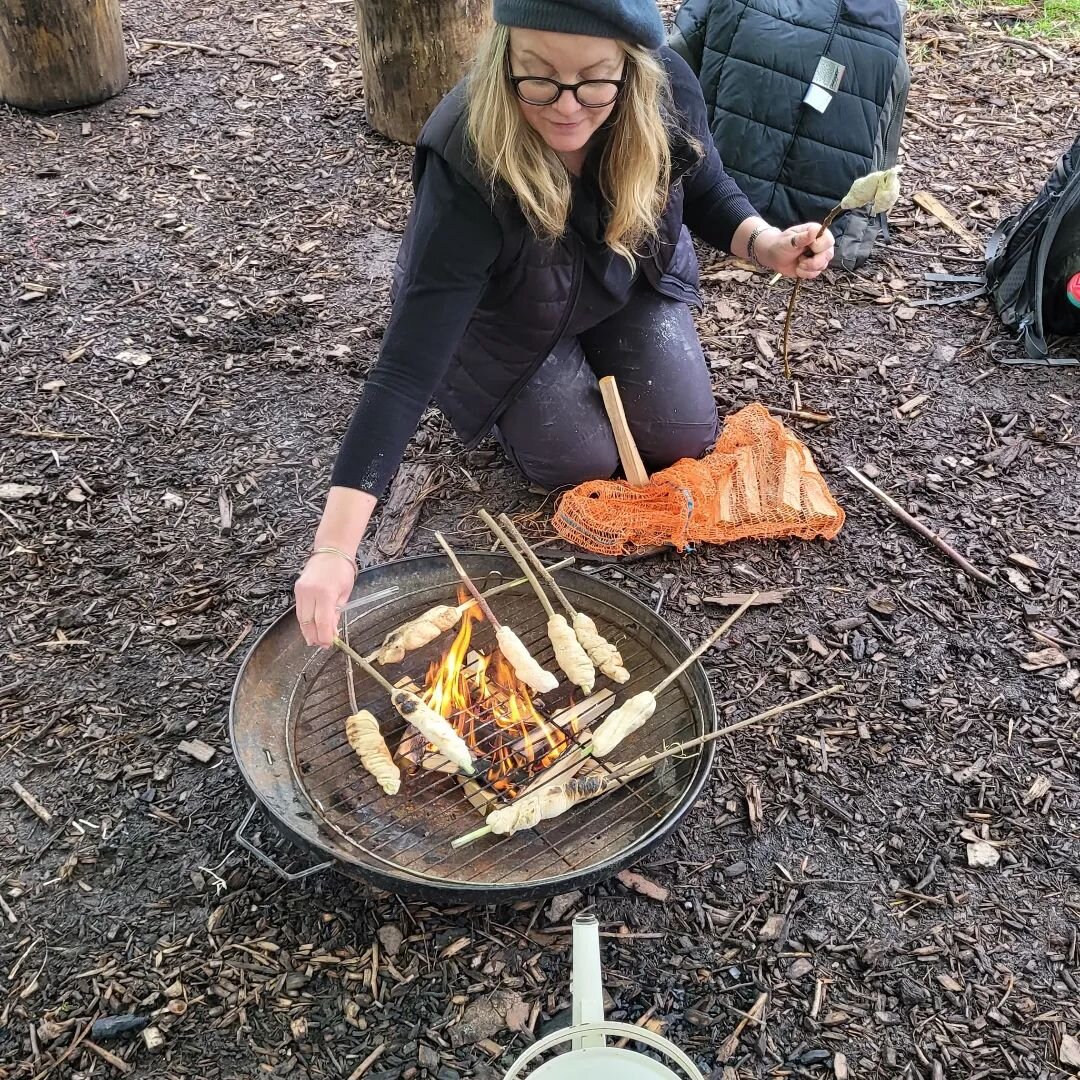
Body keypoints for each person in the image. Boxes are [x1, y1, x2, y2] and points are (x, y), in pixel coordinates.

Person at [296, 0, 835, 647]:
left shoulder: (664, 86)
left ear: (631, 68)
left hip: (622, 280)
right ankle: (518, 400)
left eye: (595, 79)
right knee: (576, 460)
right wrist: (333, 550)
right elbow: (408, 368)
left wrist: (768, 244)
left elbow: (710, 190)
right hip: (509, 319)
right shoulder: (465, 155)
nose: (566, 105)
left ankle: (593, 357)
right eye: (539, 76)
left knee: (683, 435)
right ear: (505, 56)